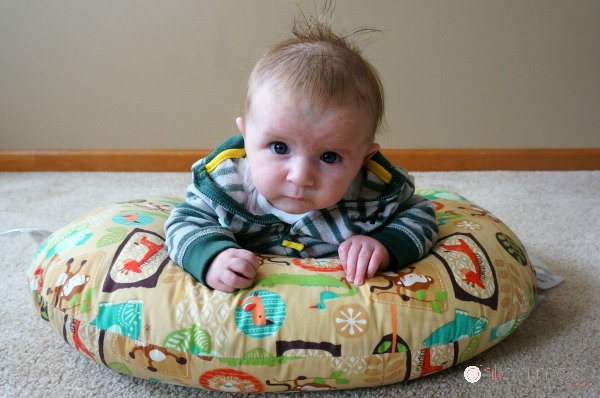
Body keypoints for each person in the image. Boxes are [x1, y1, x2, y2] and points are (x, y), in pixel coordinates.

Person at [165, 19, 438, 292]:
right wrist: (213, 257)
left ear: (363, 160)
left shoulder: (373, 192)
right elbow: (184, 222)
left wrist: (385, 244)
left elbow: (421, 215)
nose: (301, 176)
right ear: (246, 137)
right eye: (280, 148)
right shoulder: (227, 184)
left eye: (329, 157)